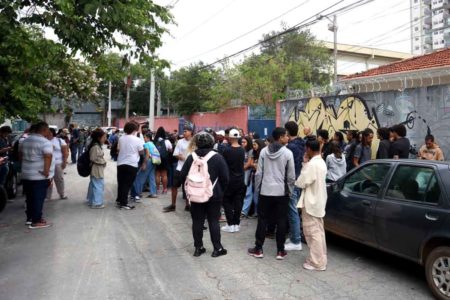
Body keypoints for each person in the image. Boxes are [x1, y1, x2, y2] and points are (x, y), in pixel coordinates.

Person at [248, 127, 295, 260]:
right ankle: (280, 251)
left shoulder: (263, 151)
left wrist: (258, 190)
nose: (288, 138)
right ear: (280, 137)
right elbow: (291, 176)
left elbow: (259, 173)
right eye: (286, 136)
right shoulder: (287, 153)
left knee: (262, 220)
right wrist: (290, 191)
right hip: (281, 192)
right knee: (281, 220)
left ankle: (258, 249)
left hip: (265, 191)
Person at [180, 132, 229, 257]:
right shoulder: (218, 157)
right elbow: (225, 178)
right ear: (212, 142)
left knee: (197, 221)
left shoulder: (191, 157)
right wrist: (220, 191)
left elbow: (182, 175)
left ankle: (198, 248)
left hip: (195, 194)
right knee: (213, 221)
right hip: (214, 194)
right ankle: (217, 248)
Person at [296, 138, 328, 271]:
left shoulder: (312, 165)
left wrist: (304, 163)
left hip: (311, 202)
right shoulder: (321, 162)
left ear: (309, 149)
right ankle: (320, 258)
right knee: (318, 232)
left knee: (312, 233)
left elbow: (301, 182)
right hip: (318, 200)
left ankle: (317, 262)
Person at [20, 122, 54, 229]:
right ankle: (37, 221)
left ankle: (30, 219)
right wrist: (46, 171)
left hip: (26, 174)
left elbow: (20, 155)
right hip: (38, 176)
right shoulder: (45, 142)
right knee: (38, 198)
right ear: (44, 130)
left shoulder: (25, 140)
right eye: (48, 129)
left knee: (29, 198)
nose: (49, 132)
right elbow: (48, 157)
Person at [284, 121, 305, 252]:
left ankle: (296, 240)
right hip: (298, 179)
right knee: (294, 211)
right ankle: (293, 236)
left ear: (287, 132)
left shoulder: (290, 147)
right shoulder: (301, 143)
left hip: (292, 181)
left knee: (292, 211)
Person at [221, 129, 246, 233]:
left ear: (230, 137)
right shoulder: (242, 150)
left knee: (226, 201)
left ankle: (230, 224)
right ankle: (236, 224)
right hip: (240, 179)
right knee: (238, 202)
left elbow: (223, 166)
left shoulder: (226, 150)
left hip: (229, 179)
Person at [164, 125, 193, 212]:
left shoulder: (194, 142)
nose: (184, 133)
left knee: (188, 187)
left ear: (191, 132)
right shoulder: (180, 142)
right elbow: (175, 154)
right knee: (174, 186)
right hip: (180, 168)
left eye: (186, 131)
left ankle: (188, 205)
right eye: (183, 131)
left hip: (191, 169)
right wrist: (183, 158)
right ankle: (173, 205)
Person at [116, 122, 145, 210]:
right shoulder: (137, 140)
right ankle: (124, 203)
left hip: (120, 163)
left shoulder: (121, 138)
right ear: (134, 130)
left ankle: (119, 200)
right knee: (127, 184)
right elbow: (141, 152)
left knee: (121, 183)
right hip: (131, 164)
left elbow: (119, 149)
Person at [87, 129, 107, 208]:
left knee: (94, 184)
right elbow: (93, 158)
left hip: (96, 168)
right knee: (98, 185)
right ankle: (97, 203)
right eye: (104, 137)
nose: (105, 139)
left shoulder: (96, 145)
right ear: (99, 138)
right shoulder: (95, 146)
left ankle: (92, 201)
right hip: (96, 169)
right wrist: (103, 162)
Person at [46, 128, 68, 200]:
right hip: (47, 163)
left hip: (57, 163)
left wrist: (64, 162)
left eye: (49, 132)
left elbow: (65, 153)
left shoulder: (59, 141)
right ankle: (47, 196)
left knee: (59, 179)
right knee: (48, 180)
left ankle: (62, 194)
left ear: (53, 133)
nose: (48, 134)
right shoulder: (44, 141)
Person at [154, 127, 173, 194]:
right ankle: (164, 189)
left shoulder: (155, 140)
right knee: (164, 175)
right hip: (164, 159)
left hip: (156, 159)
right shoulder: (166, 141)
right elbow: (170, 150)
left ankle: (157, 189)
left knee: (157, 175)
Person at [241, 136, 255, 218]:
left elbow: (249, 163)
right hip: (243, 172)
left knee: (248, 192)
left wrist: (241, 169)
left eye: (244, 142)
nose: (242, 144)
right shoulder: (242, 150)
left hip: (248, 172)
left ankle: (244, 211)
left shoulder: (250, 151)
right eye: (242, 142)